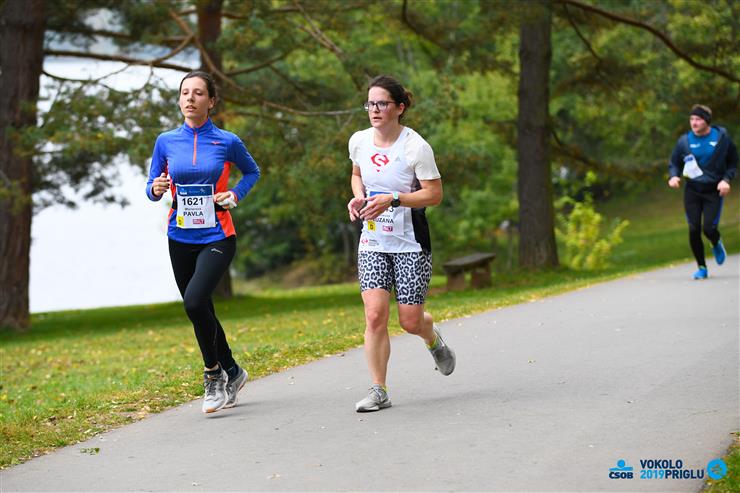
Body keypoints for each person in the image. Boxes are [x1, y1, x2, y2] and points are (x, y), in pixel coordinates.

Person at [146, 71, 260, 414]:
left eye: (198, 93)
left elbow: (252, 172)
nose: (190, 98)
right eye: (185, 93)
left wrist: (234, 195)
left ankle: (213, 375)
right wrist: (155, 189)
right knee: (201, 309)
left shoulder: (227, 141)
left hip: (218, 234)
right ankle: (234, 371)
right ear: (179, 99)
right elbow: (152, 184)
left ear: (211, 101)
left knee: (195, 302)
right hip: (179, 236)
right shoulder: (166, 141)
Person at [346, 75, 456, 413]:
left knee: (409, 321)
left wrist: (393, 198)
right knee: (375, 315)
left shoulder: (415, 147)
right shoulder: (359, 141)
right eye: (370, 103)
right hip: (373, 240)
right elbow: (357, 175)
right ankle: (378, 389)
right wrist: (359, 197)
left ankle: (431, 337)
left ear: (400, 108)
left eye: (382, 103)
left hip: (410, 243)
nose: (374, 109)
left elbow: (434, 194)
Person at [668, 104, 737, 280]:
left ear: (707, 121)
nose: (694, 122)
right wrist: (674, 176)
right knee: (693, 229)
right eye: (691, 119)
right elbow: (674, 162)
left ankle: (715, 241)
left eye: (698, 119)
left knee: (709, 228)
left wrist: (726, 180)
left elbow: (733, 162)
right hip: (692, 190)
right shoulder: (684, 141)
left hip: (713, 191)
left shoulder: (721, 138)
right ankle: (701, 267)